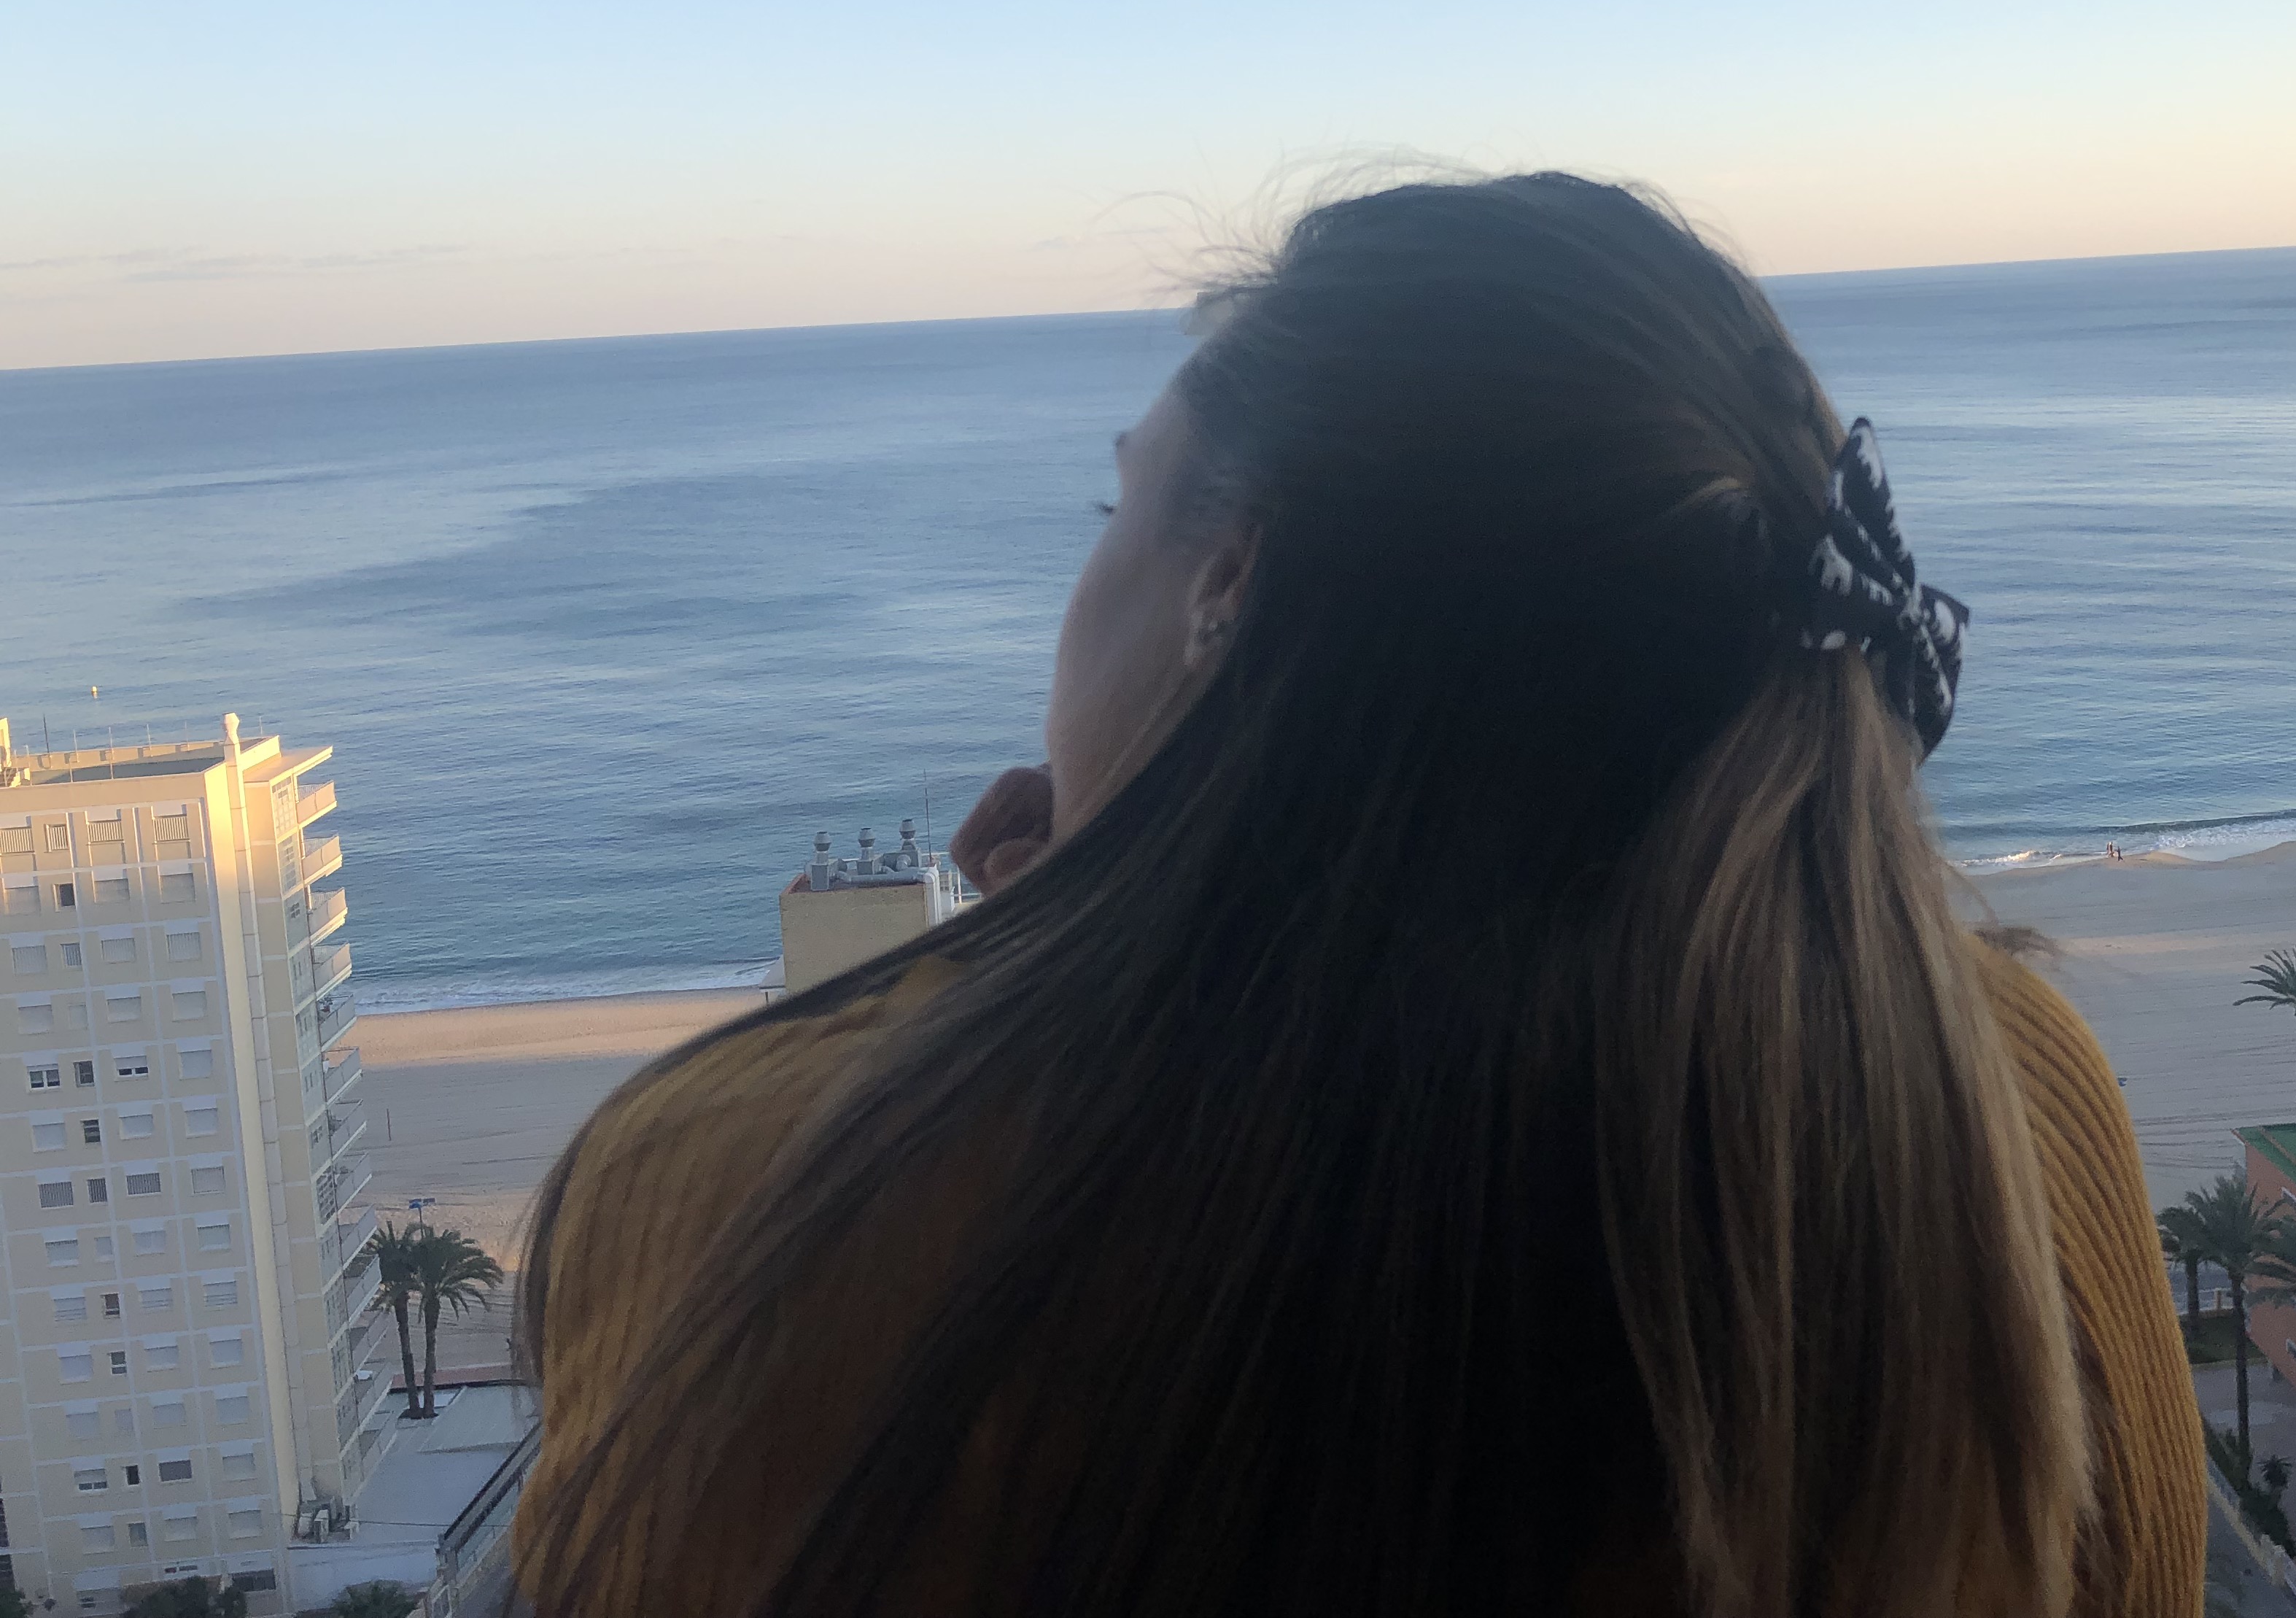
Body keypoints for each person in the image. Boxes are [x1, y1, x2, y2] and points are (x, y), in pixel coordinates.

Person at [510, 175, 2203, 1618]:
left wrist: (992, 1013)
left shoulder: (741, 1194)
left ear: (1229, 582)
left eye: (1122, 505)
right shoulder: (1992, 1101)